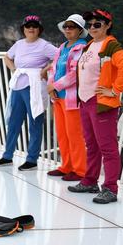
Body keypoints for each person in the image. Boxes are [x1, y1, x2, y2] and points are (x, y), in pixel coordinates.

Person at [68, 9, 123, 204]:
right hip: (86, 101)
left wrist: (114, 90)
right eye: (90, 25)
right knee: (92, 145)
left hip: (102, 104)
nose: (92, 27)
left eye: (97, 24)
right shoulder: (90, 45)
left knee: (108, 147)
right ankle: (90, 181)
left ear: (107, 25)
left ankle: (111, 188)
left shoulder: (110, 45)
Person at [0, 15, 58, 170]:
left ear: (39, 29)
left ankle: (32, 159)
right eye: (28, 26)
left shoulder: (45, 45)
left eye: (35, 26)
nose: (31, 28)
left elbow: (61, 57)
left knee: (35, 122)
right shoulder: (19, 44)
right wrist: (14, 68)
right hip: (17, 86)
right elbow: (7, 57)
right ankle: (7, 155)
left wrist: (46, 69)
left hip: (34, 87)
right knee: (13, 122)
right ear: (23, 29)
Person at [46, 14, 89, 181]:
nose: (68, 29)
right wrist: (51, 86)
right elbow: (53, 69)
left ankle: (80, 171)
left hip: (72, 98)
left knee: (75, 134)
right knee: (62, 133)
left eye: (72, 26)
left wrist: (55, 86)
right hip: (57, 97)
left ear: (80, 30)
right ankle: (66, 166)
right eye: (66, 26)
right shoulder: (62, 46)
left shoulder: (81, 47)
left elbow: (75, 73)